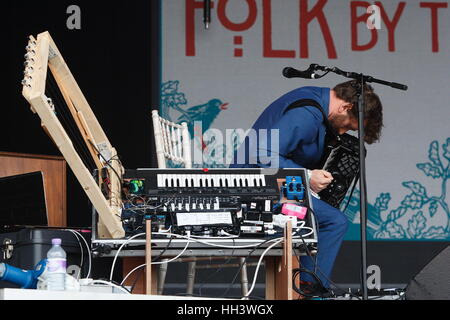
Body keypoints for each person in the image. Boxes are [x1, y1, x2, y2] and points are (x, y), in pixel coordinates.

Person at [230, 80, 383, 295]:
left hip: (274, 184)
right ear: (346, 107)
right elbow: (263, 155)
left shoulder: (318, 100)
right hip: (254, 189)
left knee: (321, 215)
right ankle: (310, 292)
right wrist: (308, 176)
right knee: (332, 221)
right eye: (348, 125)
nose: (343, 132)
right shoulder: (307, 114)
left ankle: (303, 286)